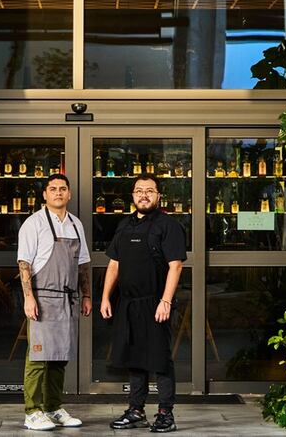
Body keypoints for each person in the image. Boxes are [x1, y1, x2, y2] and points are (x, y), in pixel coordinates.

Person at [100, 173, 186, 433]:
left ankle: (165, 413)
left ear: (159, 195)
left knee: (159, 359)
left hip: (155, 302)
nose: (144, 195)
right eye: (139, 190)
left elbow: (176, 266)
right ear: (133, 195)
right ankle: (136, 410)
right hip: (127, 303)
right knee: (134, 357)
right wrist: (105, 296)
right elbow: (114, 264)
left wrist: (166, 301)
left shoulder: (168, 226)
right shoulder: (124, 225)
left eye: (150, 190)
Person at [17, 173, 92, 431]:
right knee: (38, 357)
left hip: (68, 298)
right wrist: (29, 297)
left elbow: (83, 264)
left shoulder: (76, 224)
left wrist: (87, 295)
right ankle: (32, 411)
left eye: (62, 189)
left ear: (69, 194)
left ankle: (53, 407)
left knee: (60, 356)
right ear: (45, 195)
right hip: (42, 297)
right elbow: (24, 263)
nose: (58, 193)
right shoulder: (33, 223)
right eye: (52, 189)